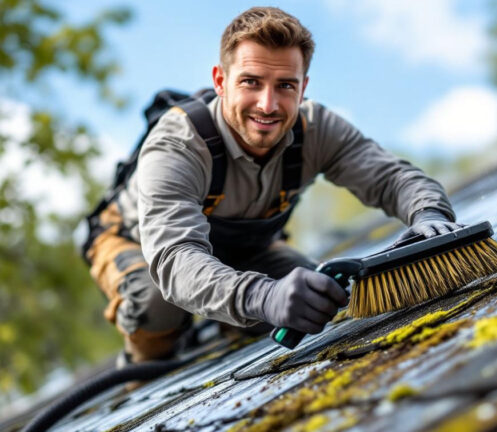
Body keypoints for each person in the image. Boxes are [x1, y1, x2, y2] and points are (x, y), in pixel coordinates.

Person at [85, 6, 459, 365]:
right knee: (158, 305)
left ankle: (229, 321)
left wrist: (429, 213)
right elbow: (174, 259)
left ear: (303, 87)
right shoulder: (178, 144)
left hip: (248, 249)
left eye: (284, 86)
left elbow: (391, 177)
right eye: (251, 82)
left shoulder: (317, 128)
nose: (268, 104)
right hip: (140, 245)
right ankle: (141, 361)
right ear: (220, 81)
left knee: (314, 298)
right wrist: (262, 296)